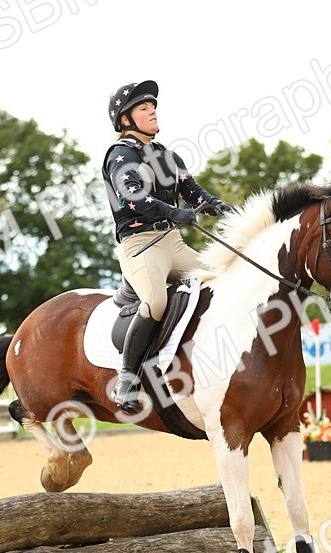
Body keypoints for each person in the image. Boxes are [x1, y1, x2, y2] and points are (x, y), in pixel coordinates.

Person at [101, 80, 234, 413]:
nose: (153, 111)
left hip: (173, 241)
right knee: (156, 300)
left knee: (224, 280)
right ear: (126, 120)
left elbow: (194, 193)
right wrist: (174, 212)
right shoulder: (121, 155)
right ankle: (127, 378)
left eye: (153, 107)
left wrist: (219, 207)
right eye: (144, 108)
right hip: (141, 244)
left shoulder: (168, 156)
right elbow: (132, 196)